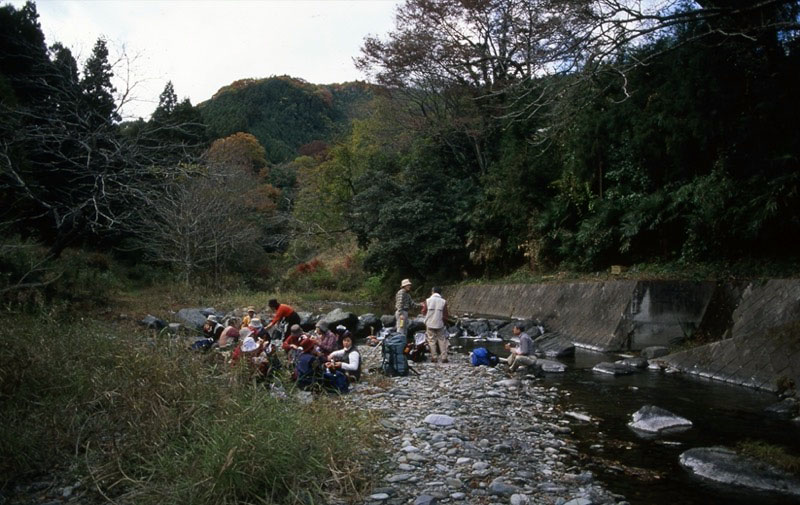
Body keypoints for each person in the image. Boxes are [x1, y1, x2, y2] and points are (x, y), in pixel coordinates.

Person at [421, 286, 450, 363]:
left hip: (430, 323)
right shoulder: (443, 301)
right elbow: (445, 314)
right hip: (440, 323)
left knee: (431, 340)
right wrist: (444, 323)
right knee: (442, 340)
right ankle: (444, 357)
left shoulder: (427, 301)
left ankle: (434, 357)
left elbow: (423, 311)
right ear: (440, 293)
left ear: (433, 292)